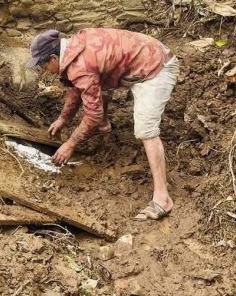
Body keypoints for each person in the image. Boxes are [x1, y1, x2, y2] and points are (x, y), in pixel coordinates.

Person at [28, 29, 180, 221]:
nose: (44, 71)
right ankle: (103, 126)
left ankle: (162, 198)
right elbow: (78, 87)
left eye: (43, 66)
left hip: (155, 68)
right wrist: (63, 119)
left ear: (52, 58)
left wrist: (71, 144)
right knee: (99, 86)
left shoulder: (81, 64)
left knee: (145, 128)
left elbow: (92, 113)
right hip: (142, 57)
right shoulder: (74, 47)